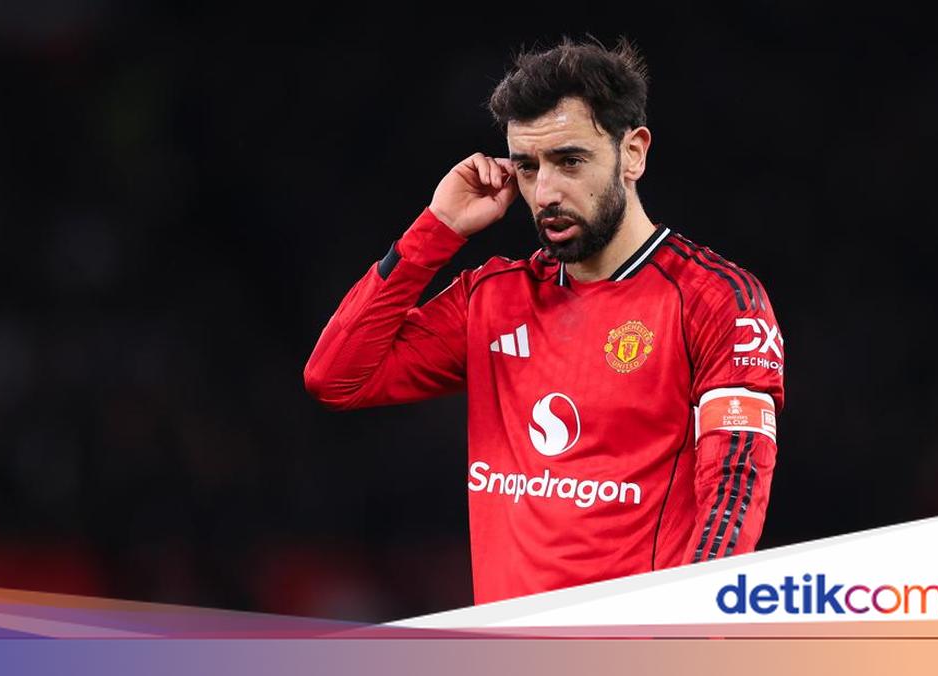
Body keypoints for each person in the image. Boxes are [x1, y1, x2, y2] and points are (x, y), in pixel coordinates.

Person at [303, 37, 784, 605]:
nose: (546, 192)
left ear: (633, 153)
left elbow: (734, 487)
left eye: (569, 161)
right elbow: (336, 377)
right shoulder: (493, 299)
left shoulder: (717, 301)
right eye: (528, 168)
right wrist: (437, 227)